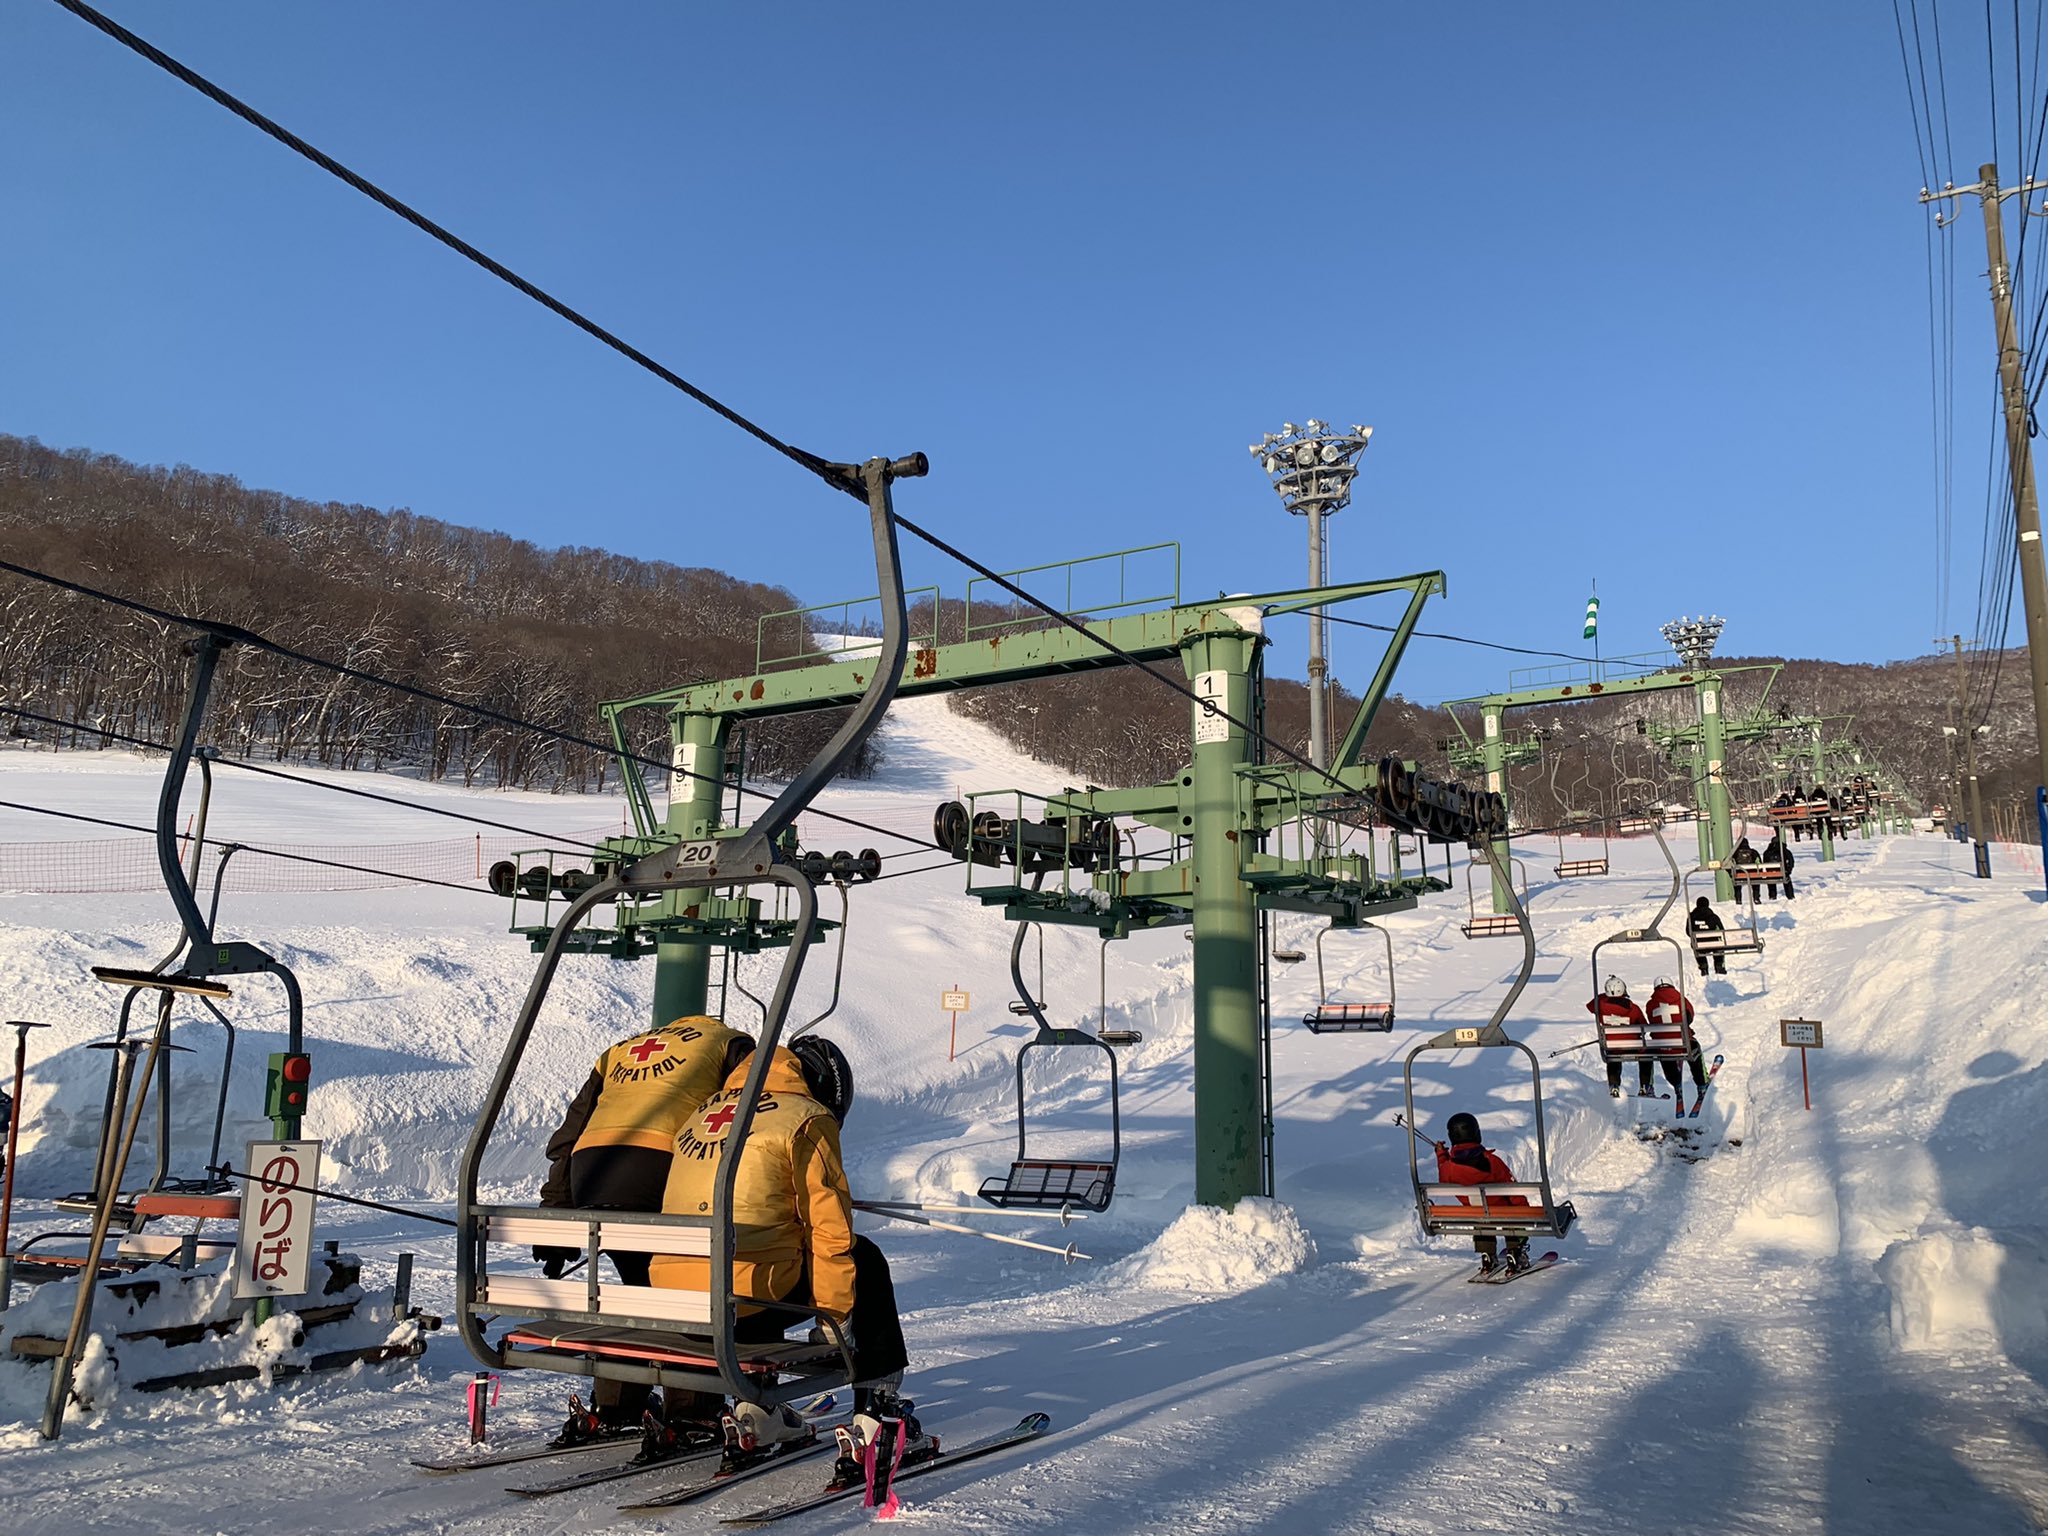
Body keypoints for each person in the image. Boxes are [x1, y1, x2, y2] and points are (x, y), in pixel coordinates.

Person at [652, 1035, 920, 1485]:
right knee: (865, 1259)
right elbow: (831, 1232)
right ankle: (878, 1415)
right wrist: (835, 1320)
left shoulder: (702, 1113)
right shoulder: (805, 1118)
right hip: (742, 1299)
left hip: (680, 1302)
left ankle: (757, 1412)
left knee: (762, 1256)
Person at [538, 1013, 755, 1451]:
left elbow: (570, 1135)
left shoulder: (619, 1052)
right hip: (662, 1171)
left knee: (636, 1288)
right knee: (688, 1292)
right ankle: (692, 1408)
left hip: (592, 1174)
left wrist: (557, 1219)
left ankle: (618, 1402)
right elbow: (750, 1114)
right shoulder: (729, 1044)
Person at [1432, 1110, 1531, 1276]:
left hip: (1475, 1213)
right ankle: (1515, 1254)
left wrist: (1442, 1154)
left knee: (1480, 1214)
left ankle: (1487, 1256)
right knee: (1513, 1214)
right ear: (1476, 1133)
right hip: (1502, 1212)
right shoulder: (1491, 1162)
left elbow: (1443, 1175)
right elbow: (1511, 1188)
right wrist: (1524, 1209)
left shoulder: (1449, 1168)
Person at [1644, 976, 1708, 1114]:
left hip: (1662, 1045)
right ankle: (1701, 1081)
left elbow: (1651, 1020)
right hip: (1683, 1043)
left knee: (1666, 1052)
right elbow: (1689, 1017)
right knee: (1694, 1050)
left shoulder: (1651, 1004)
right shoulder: (1681, 1000)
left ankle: (1676, 1083)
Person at [1588, 975, 1652, 1098]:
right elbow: (1643, 1025)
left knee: (1613, 1059)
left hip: (1612, 1046)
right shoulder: (1632, 1008)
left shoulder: (1600, 1006)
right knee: (1646, 1056)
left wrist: (1606, 996)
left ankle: (1614, 1086)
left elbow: (1590, 1005)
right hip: (1633, 1046)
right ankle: (1645, 1085)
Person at [1687, 895, 1727, 977]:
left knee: (1696, 945)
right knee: (1719, 946)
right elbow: (1722, 930)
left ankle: (1703, 967)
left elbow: (1688, 931)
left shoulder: (1691, 917)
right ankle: (1719, 966)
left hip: (1699, 944)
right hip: (1714, 944)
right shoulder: (1713, 917)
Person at [1762, 831, 1796, 901]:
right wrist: (1788, 870)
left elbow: (1764, 862)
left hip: (1770, 873)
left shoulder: (1767, 852)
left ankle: (1772, 896)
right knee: (1787, 879)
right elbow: (1791, 861)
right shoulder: (1785, 850)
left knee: (1771, 879)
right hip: (1782, 873)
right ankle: (1790, 896)